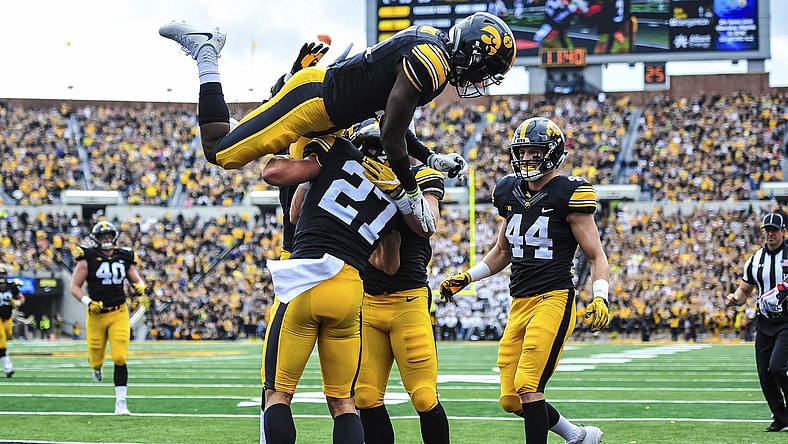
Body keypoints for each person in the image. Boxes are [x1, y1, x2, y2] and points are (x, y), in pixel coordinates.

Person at [159, 11, 512, 233]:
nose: (481, 79)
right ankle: (206, 52)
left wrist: (432, 159)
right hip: (314, 103)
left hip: (331, 116)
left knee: (290, 162)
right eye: (486, 70)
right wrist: (412, 192)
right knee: (220, 152)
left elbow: (394, 123)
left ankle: (249, 124)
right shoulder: (430, 64)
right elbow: (391, 137)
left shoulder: (433, 47)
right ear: (473, 52)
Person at [438, 117, 610, 444]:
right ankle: (577, 435)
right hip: (519, 302)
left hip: (553, 298)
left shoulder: (569, 193)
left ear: (553, 153)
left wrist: (600, 296)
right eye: (523, 151)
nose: (528, 158)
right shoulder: (509, 192)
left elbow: (596, 256)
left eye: (535, 151)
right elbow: (503, 250)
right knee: (511, 399)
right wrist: (468, 277)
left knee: (530, 386)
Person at [258, 133, 425, 444]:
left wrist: (284, 158)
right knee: (343, 402)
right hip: (349, 290)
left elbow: (279, 183)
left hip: (305, 282)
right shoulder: (394, 191)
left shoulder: (336, 151)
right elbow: (391, 265)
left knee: (278, 394)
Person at [348, 121, 450, 443]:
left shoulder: (422, 177)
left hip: (408, 300)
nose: (375, 154)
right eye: (369, 146)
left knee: (422, 396)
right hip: (367, 300)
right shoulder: (353, 182)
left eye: (381, 145)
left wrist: (400, 192)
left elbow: (427, 224)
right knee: (364, 396)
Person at [70, 220, 147, 415]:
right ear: (96, 238)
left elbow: (136, 278)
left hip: (119, 312)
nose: (106, 238)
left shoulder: (124, 256)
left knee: (120, 357)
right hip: (96, 314)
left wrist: (140, 286)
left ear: (114, 236)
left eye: (109, 235)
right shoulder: (87, 257)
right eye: (103, 236)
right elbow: (74, 287)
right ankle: (96, 368)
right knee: (96, 359)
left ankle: (120, 403)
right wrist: (88, 302)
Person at [726, 212, 788, 433]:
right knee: (764, 373)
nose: (770, 234)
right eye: (767, 230)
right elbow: (745, 289)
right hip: (764, 321)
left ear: (783, 231)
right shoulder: (755, 260)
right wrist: (735, 299)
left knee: (778, 367)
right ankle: (781, 418)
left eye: (774, 230)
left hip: (786, 321)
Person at [0, 266, 25, 377]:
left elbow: (21, 298)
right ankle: (8, 368)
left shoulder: (11, 286)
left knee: (7, 336)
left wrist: (18, 303)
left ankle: (8, 367)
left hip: (8, 318)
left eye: (2, 274)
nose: (1, 277)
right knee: (1, 341)